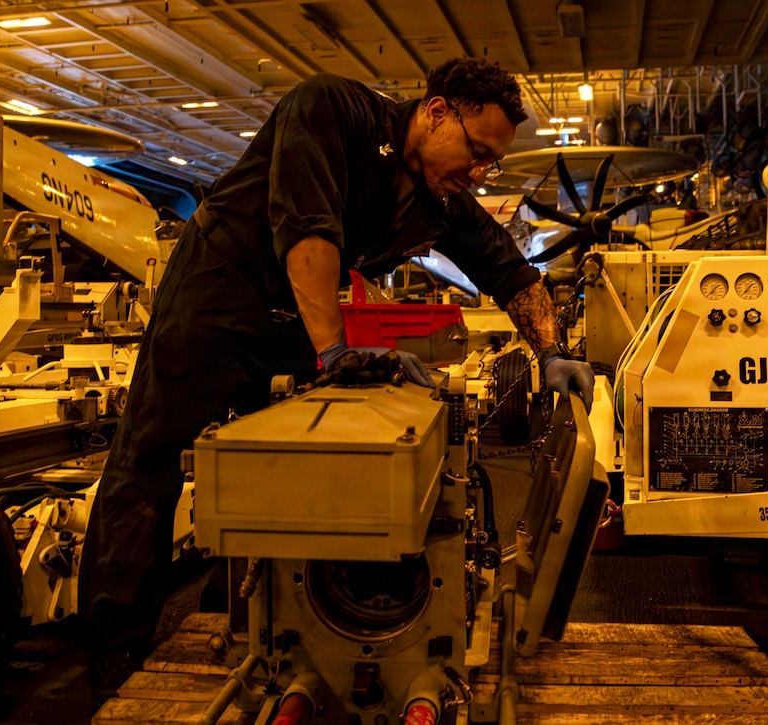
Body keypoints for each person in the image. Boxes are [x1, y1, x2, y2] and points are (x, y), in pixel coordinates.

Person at [78, 57, 595, 702]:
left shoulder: (440, 193)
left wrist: (551, 350)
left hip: (296, 308)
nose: (480, 172)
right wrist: (332, 353)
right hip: (217, 292)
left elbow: (507, 269)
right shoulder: (330, 110)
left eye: (491, 162)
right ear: (437, 112)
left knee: (294, 456)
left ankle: (238, 608)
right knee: (149, 457)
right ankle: (112, 641)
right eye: (477, 152)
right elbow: (309, 229)